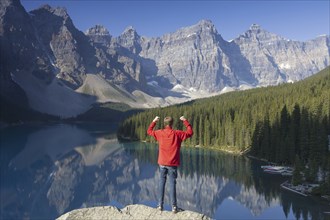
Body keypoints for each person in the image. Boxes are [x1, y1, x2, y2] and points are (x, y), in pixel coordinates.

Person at [147, 115, 193, 213]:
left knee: (161, 182)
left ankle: (160, 205)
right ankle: (174, 207)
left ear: (164, 124)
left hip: (162, 162)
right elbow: (190, 133)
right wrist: (185, 121)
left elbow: (149, 131)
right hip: (173, 163)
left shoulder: (159, 133)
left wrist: (154, 121)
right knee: (172, 184)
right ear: (172, 124)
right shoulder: (177, 133)